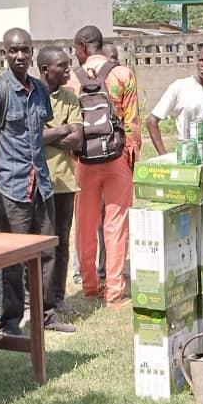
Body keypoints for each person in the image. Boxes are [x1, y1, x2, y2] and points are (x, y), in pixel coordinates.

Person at [0, 28, 59, 336]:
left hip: (41, 184)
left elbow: (41, 133)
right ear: (5, 54)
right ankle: (9, 322)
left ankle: (46, 314)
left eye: (25, 50)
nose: (20, 56)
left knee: (47, 251)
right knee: (13, 260)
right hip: (11, 186)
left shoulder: (39, 90)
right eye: (13, 51)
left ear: (32, 52)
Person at [70, 24, 141, 308]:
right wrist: (130, 157)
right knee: (116, 225)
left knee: (85, 225)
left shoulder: (70, 80)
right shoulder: (123, 74)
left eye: (76, 48)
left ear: (84, 46)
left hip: (82, 161)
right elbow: (132, 122)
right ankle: (114, 291)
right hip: (116, 159)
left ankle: (89, 286)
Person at [38, 45, 81, 330]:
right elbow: (30, 137)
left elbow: (76, 137)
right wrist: (60, 130)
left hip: (66, 180)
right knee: (46, 245)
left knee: (63, 243)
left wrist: (51, 134)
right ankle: (43, 308)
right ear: (45, 70)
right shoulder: (31, 95)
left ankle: (58, 298)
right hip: (41, 182)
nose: (69, 71)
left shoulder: (70, 97)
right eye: (62, 67)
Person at [146, 41, 203, 154]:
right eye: (201, 60)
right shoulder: (180, 86)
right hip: (187, 158)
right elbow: (151, 121)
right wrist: (164, 156)